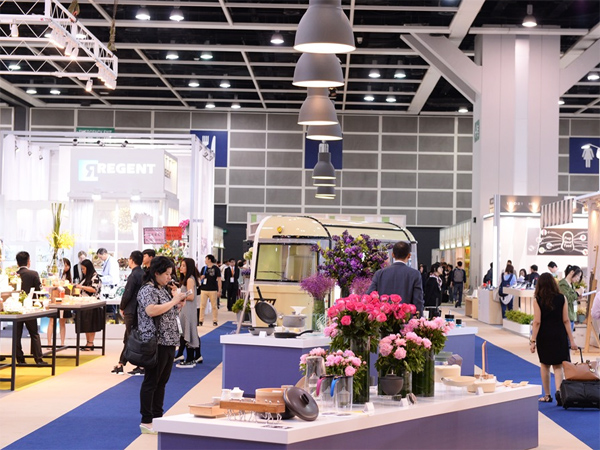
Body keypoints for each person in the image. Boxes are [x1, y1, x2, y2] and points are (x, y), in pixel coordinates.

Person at [137, 256, 187, 435]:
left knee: (162, 382)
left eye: (170, 274)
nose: (169, 277)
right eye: (166, 274)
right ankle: (147, 420)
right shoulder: (147, 289)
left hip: (169, 340)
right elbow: (151, 310)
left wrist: (177, 302)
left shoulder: (162, 289)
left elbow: (168, 311)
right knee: (152, 381)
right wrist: (173, 301)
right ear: (156, 273)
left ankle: (158, 417)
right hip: (156, 341)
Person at [530, 273, 578, 405]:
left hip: (544, 335)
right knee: (558, 366)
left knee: (545, 365)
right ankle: (559, 392)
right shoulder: (562, 298)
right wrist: (572, 340)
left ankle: (547, 395)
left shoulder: (537, 300)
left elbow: (537, 322)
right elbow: (566, 320)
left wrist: (533, 340)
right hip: (559, 335)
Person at [366, 241, 424, 315]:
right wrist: (419, 317)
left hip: (383, 318)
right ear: (409, 256)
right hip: (405, 318)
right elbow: (418, 301)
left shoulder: (380, 273)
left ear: (393, 255)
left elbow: (369, 296)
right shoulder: (415, 274)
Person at [112, 251, 145, 376]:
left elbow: (127, 293)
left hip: (131, 310)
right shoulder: (143, 274)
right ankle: (122, 363)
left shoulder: (133, 275)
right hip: (140, 310)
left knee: (130, 337)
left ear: (132, 260)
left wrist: (122, 306)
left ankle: (132, 364)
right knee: (131, 336)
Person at [15, 251, 47, 365]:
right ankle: (38, 359)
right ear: (28, 261)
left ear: (17, 263)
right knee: (34, 333)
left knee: (16, 335)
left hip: (15, 308)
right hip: (29, 308)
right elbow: (39, 290)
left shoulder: (14, 275)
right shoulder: (33, 274)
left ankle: (20, 359)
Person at [175, 258, 202, 368]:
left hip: (188, 309)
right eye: (181, 265)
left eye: (184, 266)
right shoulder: (187, 279)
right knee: (186, 332)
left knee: (188, 332)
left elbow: (191, 296)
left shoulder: (190, 279)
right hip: (185, 309)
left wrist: (180, 296)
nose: (181, 268)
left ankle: (190, 359)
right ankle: (192, 356)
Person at [74, 259, 103, 351]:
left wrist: (81, 287)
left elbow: (94, 289)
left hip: (92, 304)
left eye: (83, 269)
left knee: (91, 325)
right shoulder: (86, 277)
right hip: (85, 304)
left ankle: (90, 343)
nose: (83, 271)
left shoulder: (95, 277)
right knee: (87, 325)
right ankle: (88, 343)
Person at [48, 257, 74, 347]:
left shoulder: (68, 277)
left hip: (65, 301)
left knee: (62, 322)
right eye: (64, 265)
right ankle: (49, 343)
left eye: (67, 266)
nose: (66, 267)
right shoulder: (54, 276)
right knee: (52, 321)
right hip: (55, 300)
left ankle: (62, 342)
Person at [199, 254, 222, 326]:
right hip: (204, 289)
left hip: (213, 289)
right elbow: (200, 278)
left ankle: (215, 320)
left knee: (214, 306)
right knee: (202, 306)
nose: (205, 261)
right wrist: (202, 277)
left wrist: (219, 290)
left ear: (209, 260)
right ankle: (201, 320)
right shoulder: (204, 268)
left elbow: (219, 280)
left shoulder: (216, 268)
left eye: (206, 259)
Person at [558, 265, 583, 332]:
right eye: (578, 276)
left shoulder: (571, 285)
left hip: (571, 316)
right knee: (567, 337)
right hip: (566, 317)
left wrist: (577, 297)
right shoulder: (563, 285)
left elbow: (572, 298)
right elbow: (566, 299)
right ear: (572, 272)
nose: (578, 279)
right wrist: (577, 293)